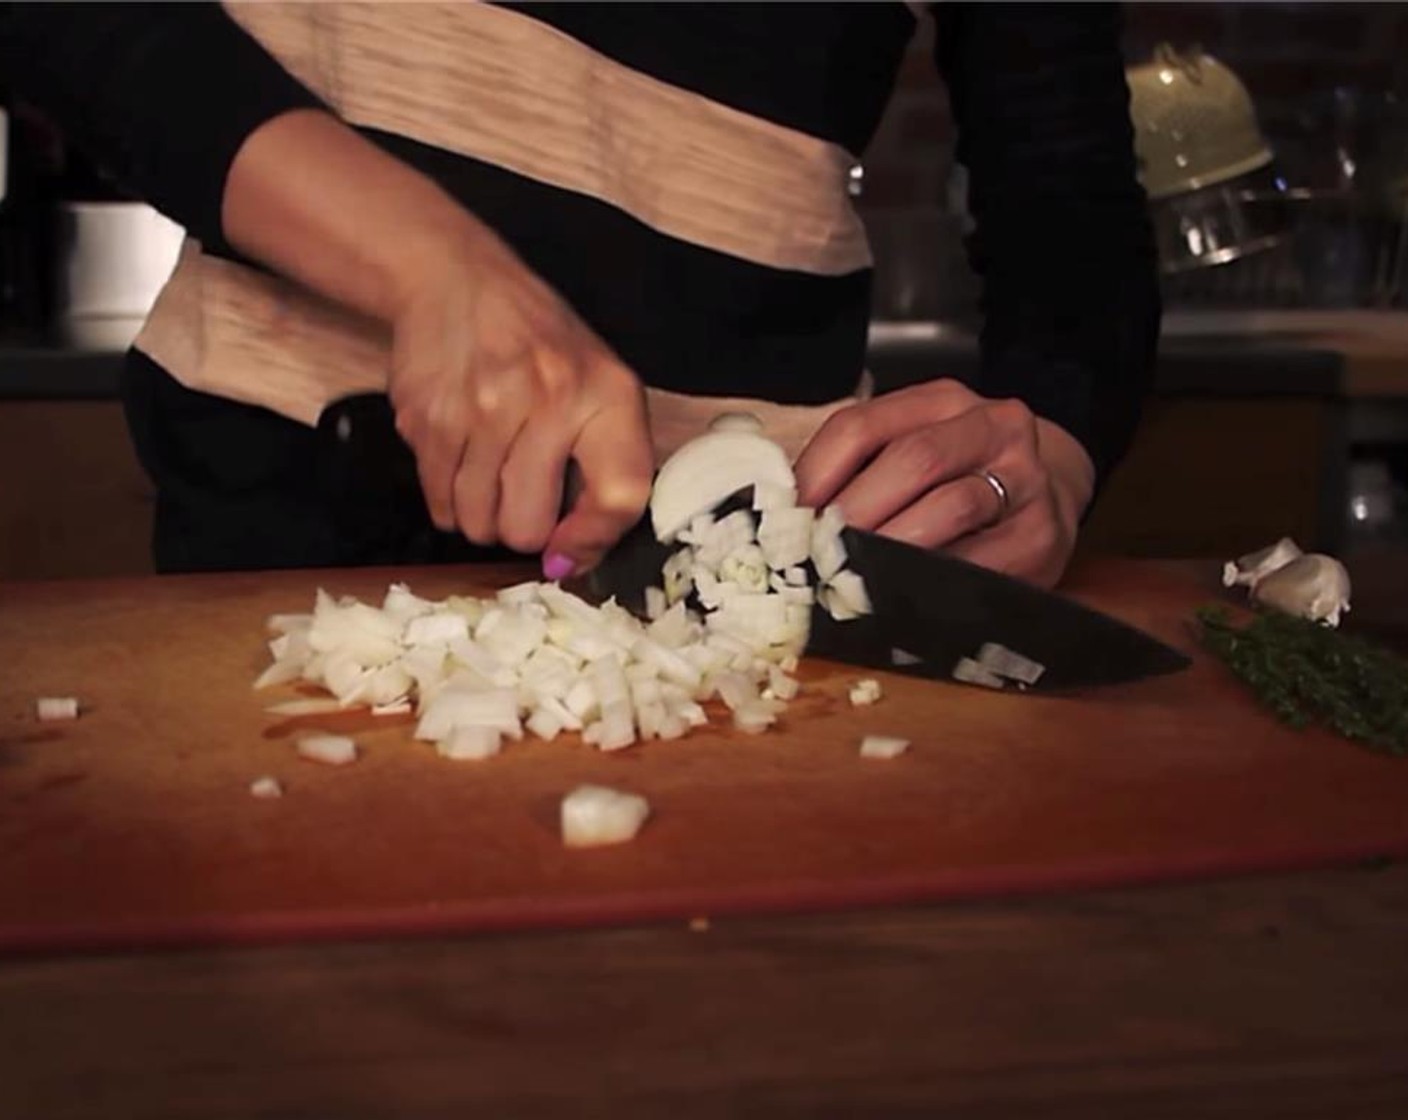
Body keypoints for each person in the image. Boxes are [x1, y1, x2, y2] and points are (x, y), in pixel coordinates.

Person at [0, 1, 1158, 589]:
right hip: (290, 497)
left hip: (762, 556)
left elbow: (1067, 194)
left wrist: (1049, 449)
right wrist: (433, 267)